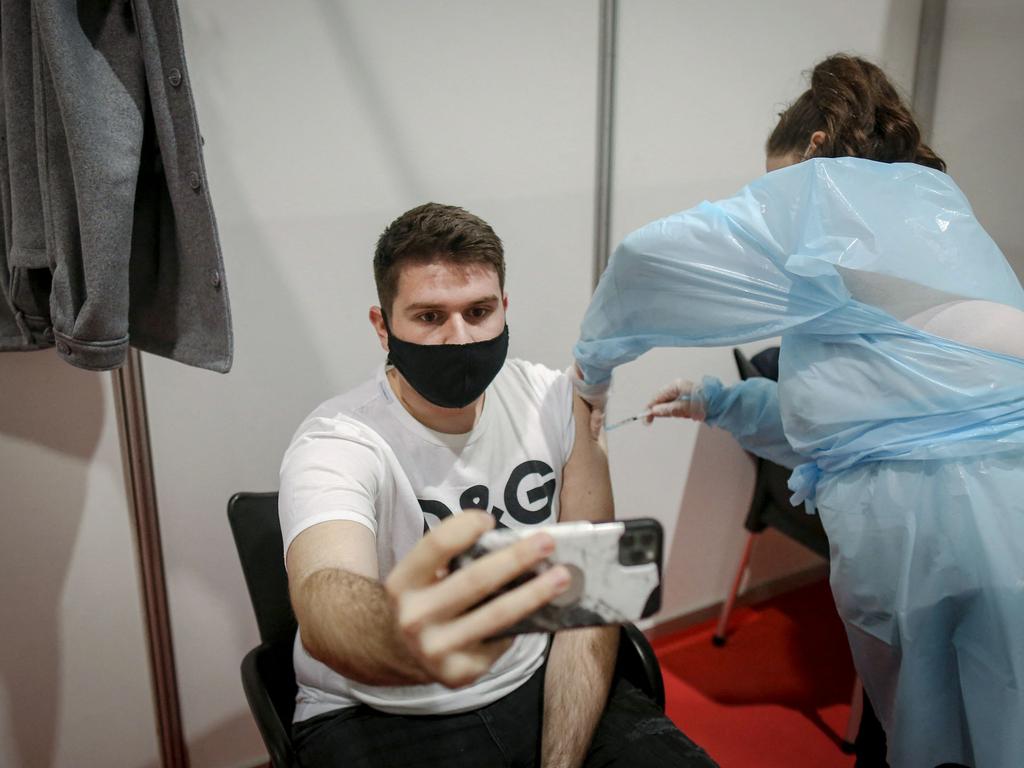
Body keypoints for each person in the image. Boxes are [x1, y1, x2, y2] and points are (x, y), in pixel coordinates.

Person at [572, 54, 1024, 768]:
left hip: (943, 555)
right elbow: (862, 418)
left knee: (956, 737)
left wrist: (590, 373)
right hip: (977, 534)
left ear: (818, 153)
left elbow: (643, 263)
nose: (775, 215)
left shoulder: (845, 208)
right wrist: (719, 402)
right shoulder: (931, 212)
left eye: (777, 191)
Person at [280, 203, 716, 768]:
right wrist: (398, 636)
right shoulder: (338, 440)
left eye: (479, 311)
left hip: (536, 677)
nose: (459, 338)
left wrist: (560, 762)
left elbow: (592, 597)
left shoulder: (553, 401)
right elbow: (324, 595)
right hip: (379, 709)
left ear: (504, 309)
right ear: (382, 325)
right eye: (429, 316)